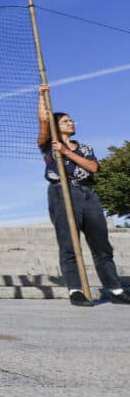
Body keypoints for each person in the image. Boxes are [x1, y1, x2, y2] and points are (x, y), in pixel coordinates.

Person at [37, 84, 129, 307]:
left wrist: (67, 152)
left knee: (101, 244)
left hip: (88, 193)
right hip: (62, 192)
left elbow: (93, 168)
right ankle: (76, 290)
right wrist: (42, 95)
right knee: (69, 243)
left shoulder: (84, 148)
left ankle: (115, 290)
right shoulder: (48, 144)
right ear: (57, 126)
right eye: (66, 120)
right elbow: (43, 119)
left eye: (72, 120)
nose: (72, 122)